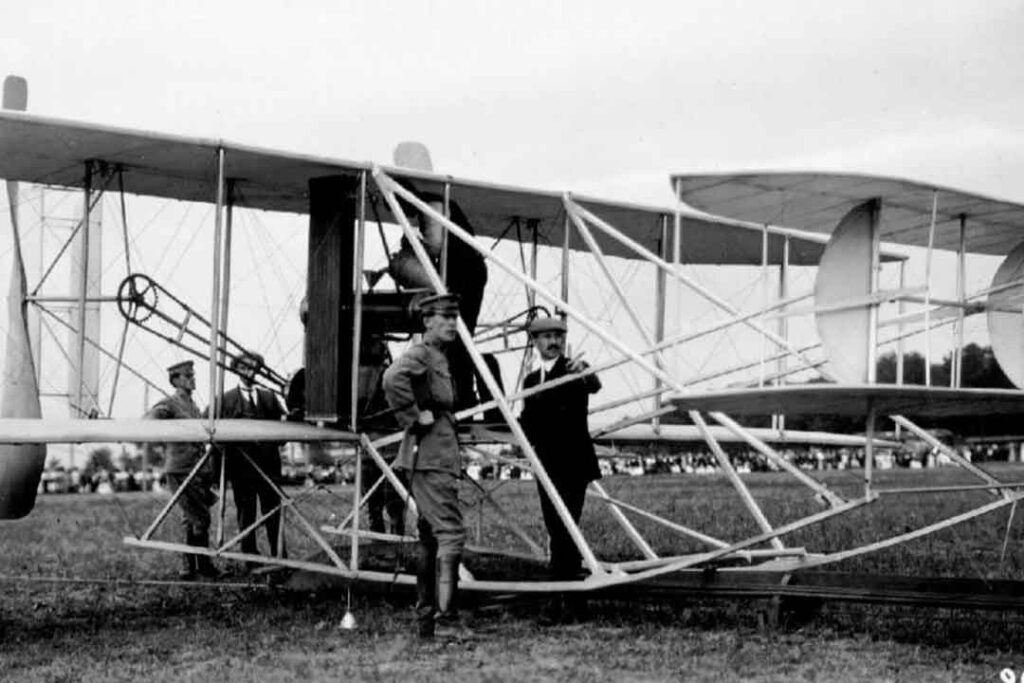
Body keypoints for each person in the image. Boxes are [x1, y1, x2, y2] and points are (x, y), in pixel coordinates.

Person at [382, 293, 467, 639]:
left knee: (431, 537)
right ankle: (446, 621)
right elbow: (392, 378)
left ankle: (428, 619)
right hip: (430, 456)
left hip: (434, 454)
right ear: (427, 321)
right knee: (450, 534)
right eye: (443, 317)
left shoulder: (439, 357)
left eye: (454, 317)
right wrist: (414, 416)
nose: (451, 323)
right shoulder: (421, 354)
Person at [519, 317, 602, 584]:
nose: (554, 342)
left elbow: (594, 385)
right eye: (547, 337)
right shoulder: (531, 380)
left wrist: (585, 373)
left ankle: (564, 589)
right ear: (535, 341)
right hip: (546, 463)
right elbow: (529, 419)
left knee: (566, 526)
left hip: (574, 463)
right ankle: (565, 587)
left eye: (558, 336)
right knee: (555, 526)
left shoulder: (574, 368)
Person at [144, 360, 222, 580]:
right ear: (176, 380)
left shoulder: (193, 405)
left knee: (192, 518)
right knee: (199, 517)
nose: (192, 379)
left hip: (198, 467)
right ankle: (200, 565)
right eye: (187, 376)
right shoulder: (170, 403)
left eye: (192, 375)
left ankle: (192, 567)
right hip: (181, 467)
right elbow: (150, 419)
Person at [210, 352, 287, 563]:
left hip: (269, 467)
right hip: (241, 470)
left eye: (254, 368)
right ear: (236, 369)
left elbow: (284, 429)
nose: (250, 372)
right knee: (246, 513)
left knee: (274, 511)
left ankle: (279, 554)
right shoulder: (224, 400)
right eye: (244, 368)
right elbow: (211, 432)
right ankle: (250, 557)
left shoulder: (269, 397)